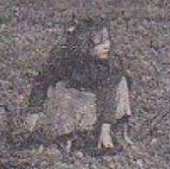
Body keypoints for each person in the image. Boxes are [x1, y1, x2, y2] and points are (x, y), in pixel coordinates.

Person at [26, 17, 133, 154]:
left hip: (99, 104)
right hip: (73, 102)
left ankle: (114, 132)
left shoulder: (111, 63)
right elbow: (42, 82)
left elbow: (108, 94)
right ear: (83, 44)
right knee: (60, 88)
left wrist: (105, 128)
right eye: (99, 43)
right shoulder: (63, 58)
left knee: (121, 82)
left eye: (107, 41)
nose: (107, 46)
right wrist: (33, 112)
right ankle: (64, 136)